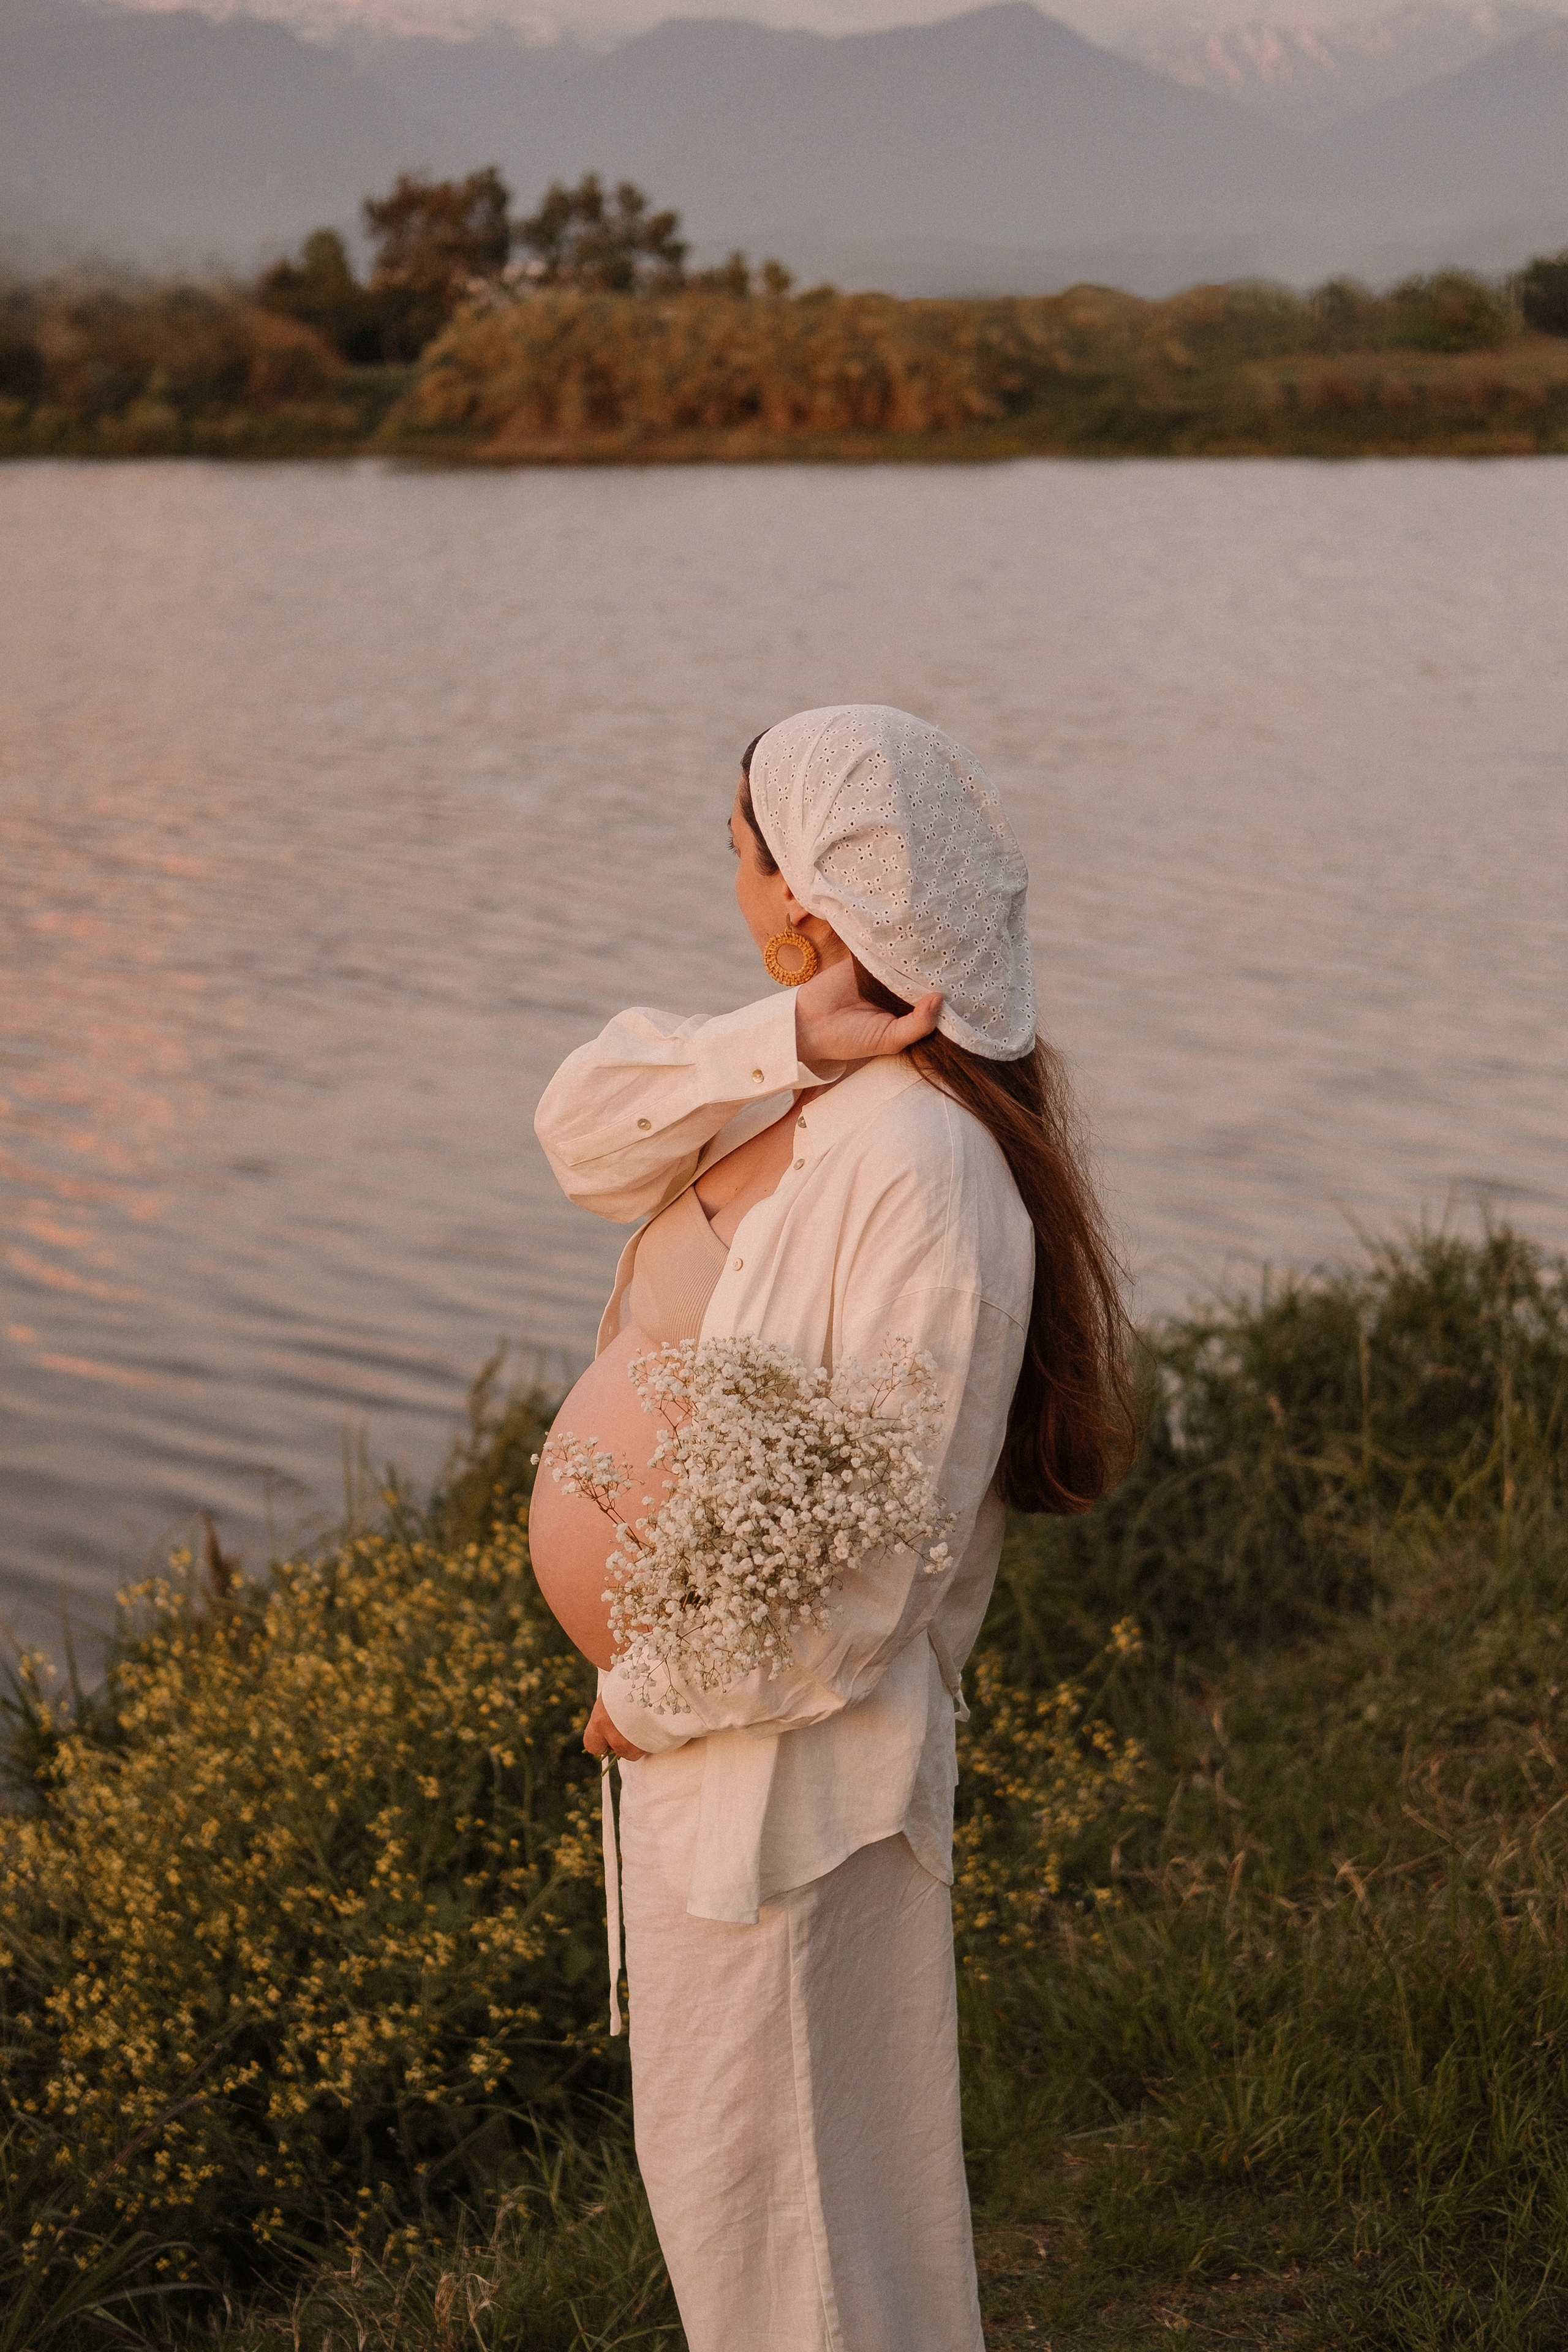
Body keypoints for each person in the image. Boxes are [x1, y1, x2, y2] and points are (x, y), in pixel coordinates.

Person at [532, 704, 1131, 2352]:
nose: (726, 877)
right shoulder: (801, 1092)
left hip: (789, 1788)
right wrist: (789, 1033)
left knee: (813, 2259)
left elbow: (883, 1564)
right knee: (743, 2234)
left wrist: (635, 1701)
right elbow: (580, 1129)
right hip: (711, 1765)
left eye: (738, 850)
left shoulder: (927, 1171)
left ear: (805, 890)